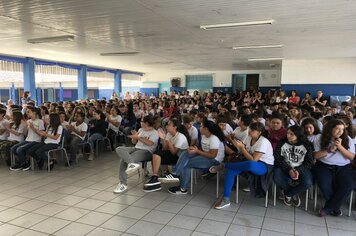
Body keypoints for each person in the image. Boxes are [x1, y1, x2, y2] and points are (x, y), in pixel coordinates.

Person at [211, 122, 274, 209]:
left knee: (251, 164)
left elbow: (254, 160)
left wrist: (242, 148)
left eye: (252, 130)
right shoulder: (249, 138)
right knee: (231, 171)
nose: (249, 132)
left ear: (259, 132)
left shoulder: (263, 141)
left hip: (264, 166)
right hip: (247, 162)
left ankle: (224, 165)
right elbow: (240, 150)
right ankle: (226, 199)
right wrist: (232, 140)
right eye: (250, 129)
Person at [160, 119, 225, 194]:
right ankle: (176, 175)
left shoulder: (214, 138)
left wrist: (197, 151)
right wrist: (194, 149)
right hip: (205, 155)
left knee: (186, 163)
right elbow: (204, 149)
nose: (199, 128)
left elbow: (213, 155)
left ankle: (181, 185)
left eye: (201, 126)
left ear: (206, 129)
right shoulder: (204, 136)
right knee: (185, 152)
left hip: (214, 160)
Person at [313, 119, 355, 217]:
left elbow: (352, 157)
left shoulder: (347, 139)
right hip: (324, 166)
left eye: (342, 129)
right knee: (324, 185)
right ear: (330, 128)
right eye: (337, 129)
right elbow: (316, 156)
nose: (340, 132)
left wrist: (340, 147)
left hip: (344, 167)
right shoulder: (320, 138)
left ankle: (328, 208)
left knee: (348, 185)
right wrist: (329, 150)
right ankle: (335, 208)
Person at [113, 115, 159, 193]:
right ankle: (132, 163)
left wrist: (138, 137)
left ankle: (123, 184)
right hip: (136, 148)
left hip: (146, 151)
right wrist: (134, 138)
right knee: (119, 149)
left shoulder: (154, 132)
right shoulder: (141, 130)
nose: (140, 123)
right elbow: (134, 142)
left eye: (142, 121)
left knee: (123, 160)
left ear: (147, 123)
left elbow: (150, 143)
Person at [144, 118, 190, 192]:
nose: (166, 126)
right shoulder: (168, 134)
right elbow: (165, 149)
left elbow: (174, 152)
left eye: (169, 125)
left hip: (180, 157)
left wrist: (168, 141)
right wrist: (163, 139)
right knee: (156, 154)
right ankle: (155, 177)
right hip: (172, 153)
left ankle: (156, 178)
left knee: (157, 155)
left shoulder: (180, 137)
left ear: (175, 127)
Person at [273, 125, 314, 207]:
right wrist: (289, 169)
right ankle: (293, 192)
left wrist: (297, 170)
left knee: (307, 182)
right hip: (284, 166)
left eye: (292, 134)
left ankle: (289, 194)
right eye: (288, 133)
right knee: (276, 178)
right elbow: (278, 158)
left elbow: (309, 162)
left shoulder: (306, 145)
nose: (288, 135)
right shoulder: (282, 142)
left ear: (298, 135)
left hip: (300, 167)